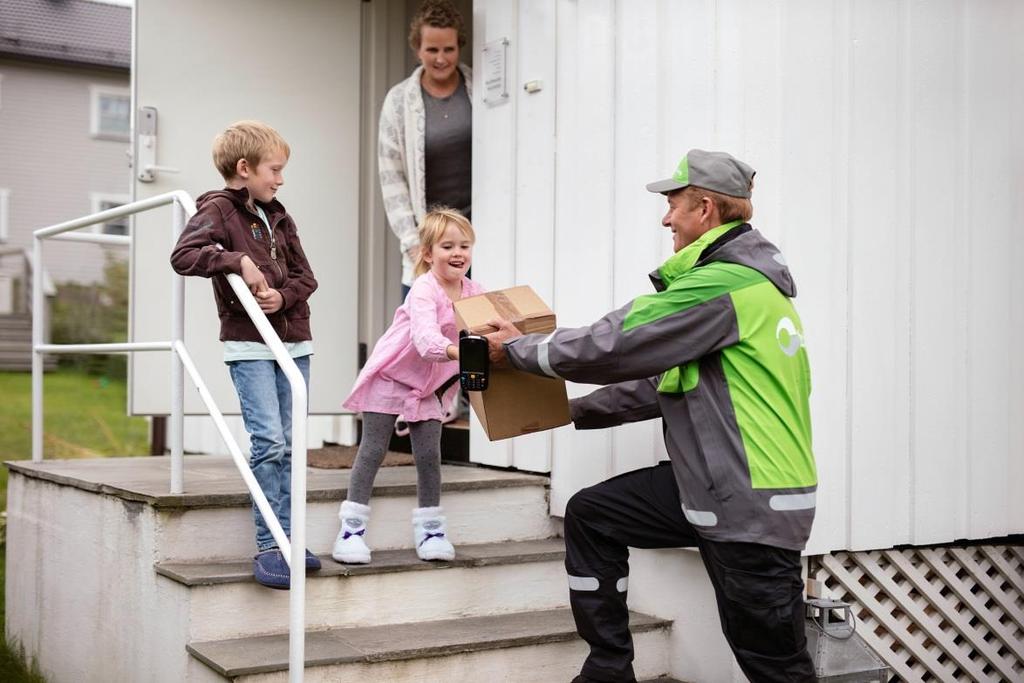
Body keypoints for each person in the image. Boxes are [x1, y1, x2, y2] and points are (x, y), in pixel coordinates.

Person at [486, 150, 818, 682]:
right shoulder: (745, 288)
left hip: (752, 502)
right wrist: (568, 412)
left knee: (775, 666)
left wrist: (524, 349)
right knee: (593, 515)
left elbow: (618, 341)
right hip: (713, 486)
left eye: (674, 205)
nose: (666, 219)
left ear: (705, 208)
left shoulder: (724, 283)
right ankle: (609, 670)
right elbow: (662, 384)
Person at [169, 120, 321, 590]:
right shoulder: (217, 210)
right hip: (250, 346)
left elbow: (306, 276)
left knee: (292, 446)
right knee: (269, 443)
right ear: (244, 168)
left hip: (293, 342)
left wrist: (284, 296)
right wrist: (238, 260)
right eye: (275, 169)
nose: (280, 179)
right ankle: (270, 542)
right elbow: (184, 254)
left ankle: (292, 537)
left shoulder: (280, 215)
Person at [333, 208, 484, 565]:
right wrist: (460, 350)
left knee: (429, 455)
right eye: (448, 246)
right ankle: (351, 530)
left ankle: (431, 529)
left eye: (465, 245)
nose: (458, 253)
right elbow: (426, 339)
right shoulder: (423, 289)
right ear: (428, 253)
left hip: (430, 385)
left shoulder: (474, 292)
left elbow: (488, 325)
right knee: (373, 448)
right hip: (392, 376)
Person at [379, 0, 472, 300]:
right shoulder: (398, 102)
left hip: (473, 241)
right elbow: (391, 179)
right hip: (428, 245)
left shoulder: (480, 90)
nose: (441, 58)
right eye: (432, 50)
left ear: (459, 46)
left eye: (449, 49)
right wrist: (413, 241)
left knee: (476, 335)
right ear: (417, 48)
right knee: (423, 336)